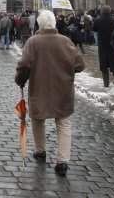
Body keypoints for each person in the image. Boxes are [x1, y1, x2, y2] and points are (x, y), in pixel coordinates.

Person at [15, 10, 85, 177]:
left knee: (37, 120)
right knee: (63, 124)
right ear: (54, 23)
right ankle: (62, 162)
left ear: (39, 24)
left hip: (40, 88)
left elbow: (24, 65)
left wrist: (20, 80)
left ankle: (40, 151)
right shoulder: (65, 41)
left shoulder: (33, 42)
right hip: (63, 89)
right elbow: (80, 65)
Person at [92, 5, 114, 88]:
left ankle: (106, 84)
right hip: (112, 45)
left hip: (102, 45)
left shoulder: (98, 20)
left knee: (104, 65)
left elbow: (94, 29)